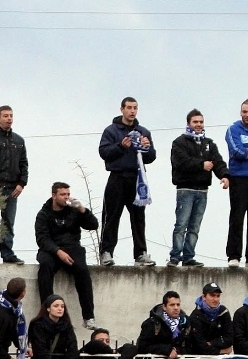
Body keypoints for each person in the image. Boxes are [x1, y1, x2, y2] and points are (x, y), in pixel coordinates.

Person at [98, 96, 157, 267]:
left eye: (135, 108)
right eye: (129, 107)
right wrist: (120, 146)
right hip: (117, 177)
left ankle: (140, 254)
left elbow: (151, 157)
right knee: (111, 217)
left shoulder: (144, 131)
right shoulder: (111, 130)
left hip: (137, 179)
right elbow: (104, 152)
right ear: (122, 109)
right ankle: (106, 252)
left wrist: (147, 148)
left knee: (138, 218)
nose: (132, 111)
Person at [168, 109, 230, 267]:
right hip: (185, 190)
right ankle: (175, 256)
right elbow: (181, 162)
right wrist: (201, 164)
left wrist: (224, 175)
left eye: (201, 122)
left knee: (195, 227)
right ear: (188, 123)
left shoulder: (208, 143)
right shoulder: (179, 143)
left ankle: (188, 257)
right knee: (181, 224)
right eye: (195, 122)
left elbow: (218, 162)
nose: (198, 125)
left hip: (202, 190)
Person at [35, 181, 98, 330]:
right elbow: (42, 239)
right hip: (51, 249)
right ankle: (47, 313)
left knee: (82, 270)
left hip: (72, 247)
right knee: (45, 268)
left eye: (68, 194)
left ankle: (88, 317)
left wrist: (82, 209)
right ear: (54, 195)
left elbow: (93, 225)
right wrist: (58, 251)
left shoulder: (74, 210)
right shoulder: (43, 214)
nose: (66, 197)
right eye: (63, 194)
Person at [0, 105, 28, 265]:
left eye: (11, 115)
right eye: (5, 116)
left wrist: (22, 184)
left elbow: (24, 164)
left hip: (12, 189)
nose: (9, 118)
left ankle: (7, 254)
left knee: (8, 223)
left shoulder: (19, 141)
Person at [28, 294, 79, 359]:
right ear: (48, 308)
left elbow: (73, 348)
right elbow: (40, 349)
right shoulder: (38, 325)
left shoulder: (67, 325)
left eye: (62, 306)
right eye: (56, 306)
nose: (60, 309)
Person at [225, 99, 248, 268]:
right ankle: (233, 255)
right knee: (237, 217)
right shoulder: (233, 129)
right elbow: (237, 151)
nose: (247, 115)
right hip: (239, 178)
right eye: (244, 111)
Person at [189, 283, 233, 355]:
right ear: (204, 297)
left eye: (218, 296)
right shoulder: (195, 315)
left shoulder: (224, 312)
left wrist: (212, 343)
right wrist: (220, 351)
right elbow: (199, 346)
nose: (215, 299)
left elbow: (229, 339)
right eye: (212, 295)